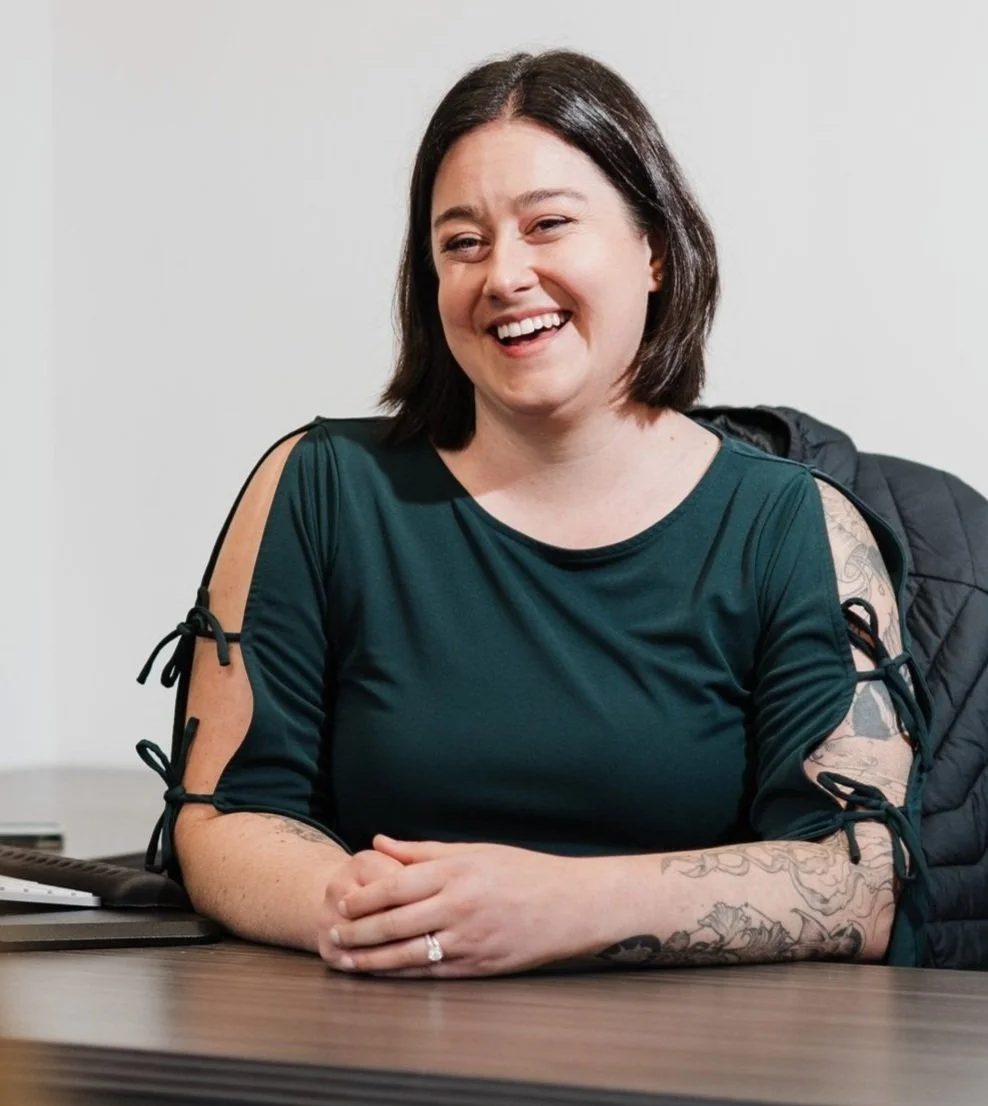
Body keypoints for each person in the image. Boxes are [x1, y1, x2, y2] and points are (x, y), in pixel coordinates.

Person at [137, 49, 931, 977]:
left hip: (702, 1066)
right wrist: (381, 913)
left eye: (549, 224)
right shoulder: (316, 487)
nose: (505, 274)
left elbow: (860, 877)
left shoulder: (798, 528)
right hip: (375, 1035)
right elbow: (227, 812)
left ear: (655, 251)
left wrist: (557, 906)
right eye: (461, 242)